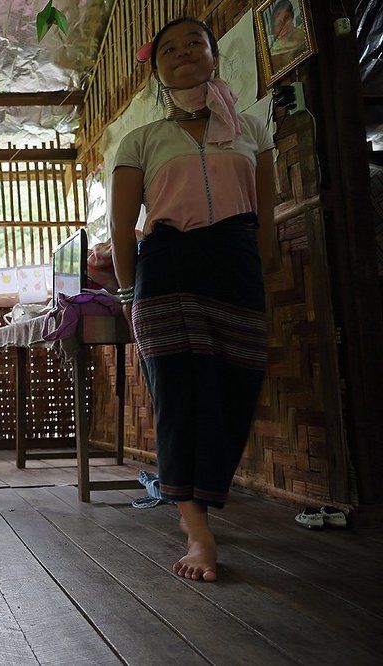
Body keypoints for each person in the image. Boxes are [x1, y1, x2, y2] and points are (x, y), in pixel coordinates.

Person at [110, 17, 277, 582]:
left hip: (235, 266)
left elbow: (266, 218)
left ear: (214, 56)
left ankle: (200, 503)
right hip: (168, 268)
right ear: (156, 69)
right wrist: (132, 294)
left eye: (195, 44)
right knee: (179, 395)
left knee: (235, 390)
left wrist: (262, 277)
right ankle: (197, 534)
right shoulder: (141, 141)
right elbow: (121, 226)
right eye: (170, 49)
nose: (183, 53)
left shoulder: (252, 129)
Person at [268, 0, 305, 70]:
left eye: (286, 18)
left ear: (292, 17)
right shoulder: (273, 54)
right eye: (278, 24)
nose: (283, 26)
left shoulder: (305, 37)